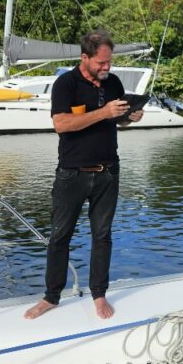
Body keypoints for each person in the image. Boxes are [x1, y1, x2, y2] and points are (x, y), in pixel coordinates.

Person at [24, 30, 143, 321]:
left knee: (102, 235)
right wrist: (104, 112)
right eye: (101, 63)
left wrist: (129, 117)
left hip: (108, 173)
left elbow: (118, 121)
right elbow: (61, 124)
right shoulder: (66, 84)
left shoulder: (112, 83)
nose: (107, 68)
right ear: (85, 58)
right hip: (72, 173)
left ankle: (99, 294)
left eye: (109, 62)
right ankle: (51, 297)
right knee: (60, 236)